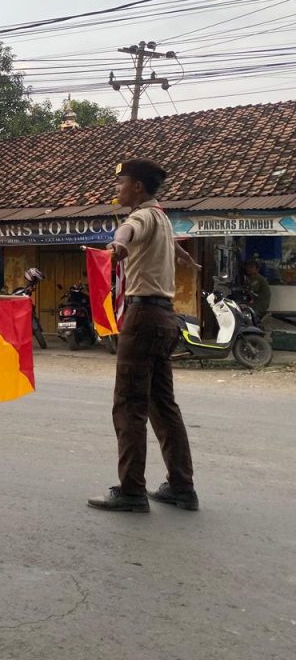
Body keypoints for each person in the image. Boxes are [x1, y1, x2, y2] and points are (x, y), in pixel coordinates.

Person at [88, 159, 202, 513]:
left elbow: (127, 232)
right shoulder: (163, 219)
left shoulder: (140, 217)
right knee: (162, 405)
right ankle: (182, 487)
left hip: (143, 318)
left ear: (137, 186)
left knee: (129, 406)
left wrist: (116, 246)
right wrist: (185, 257)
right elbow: (168, 243)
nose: (117, 188)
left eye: (121, 182)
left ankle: (131, 491)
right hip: (165, 317)